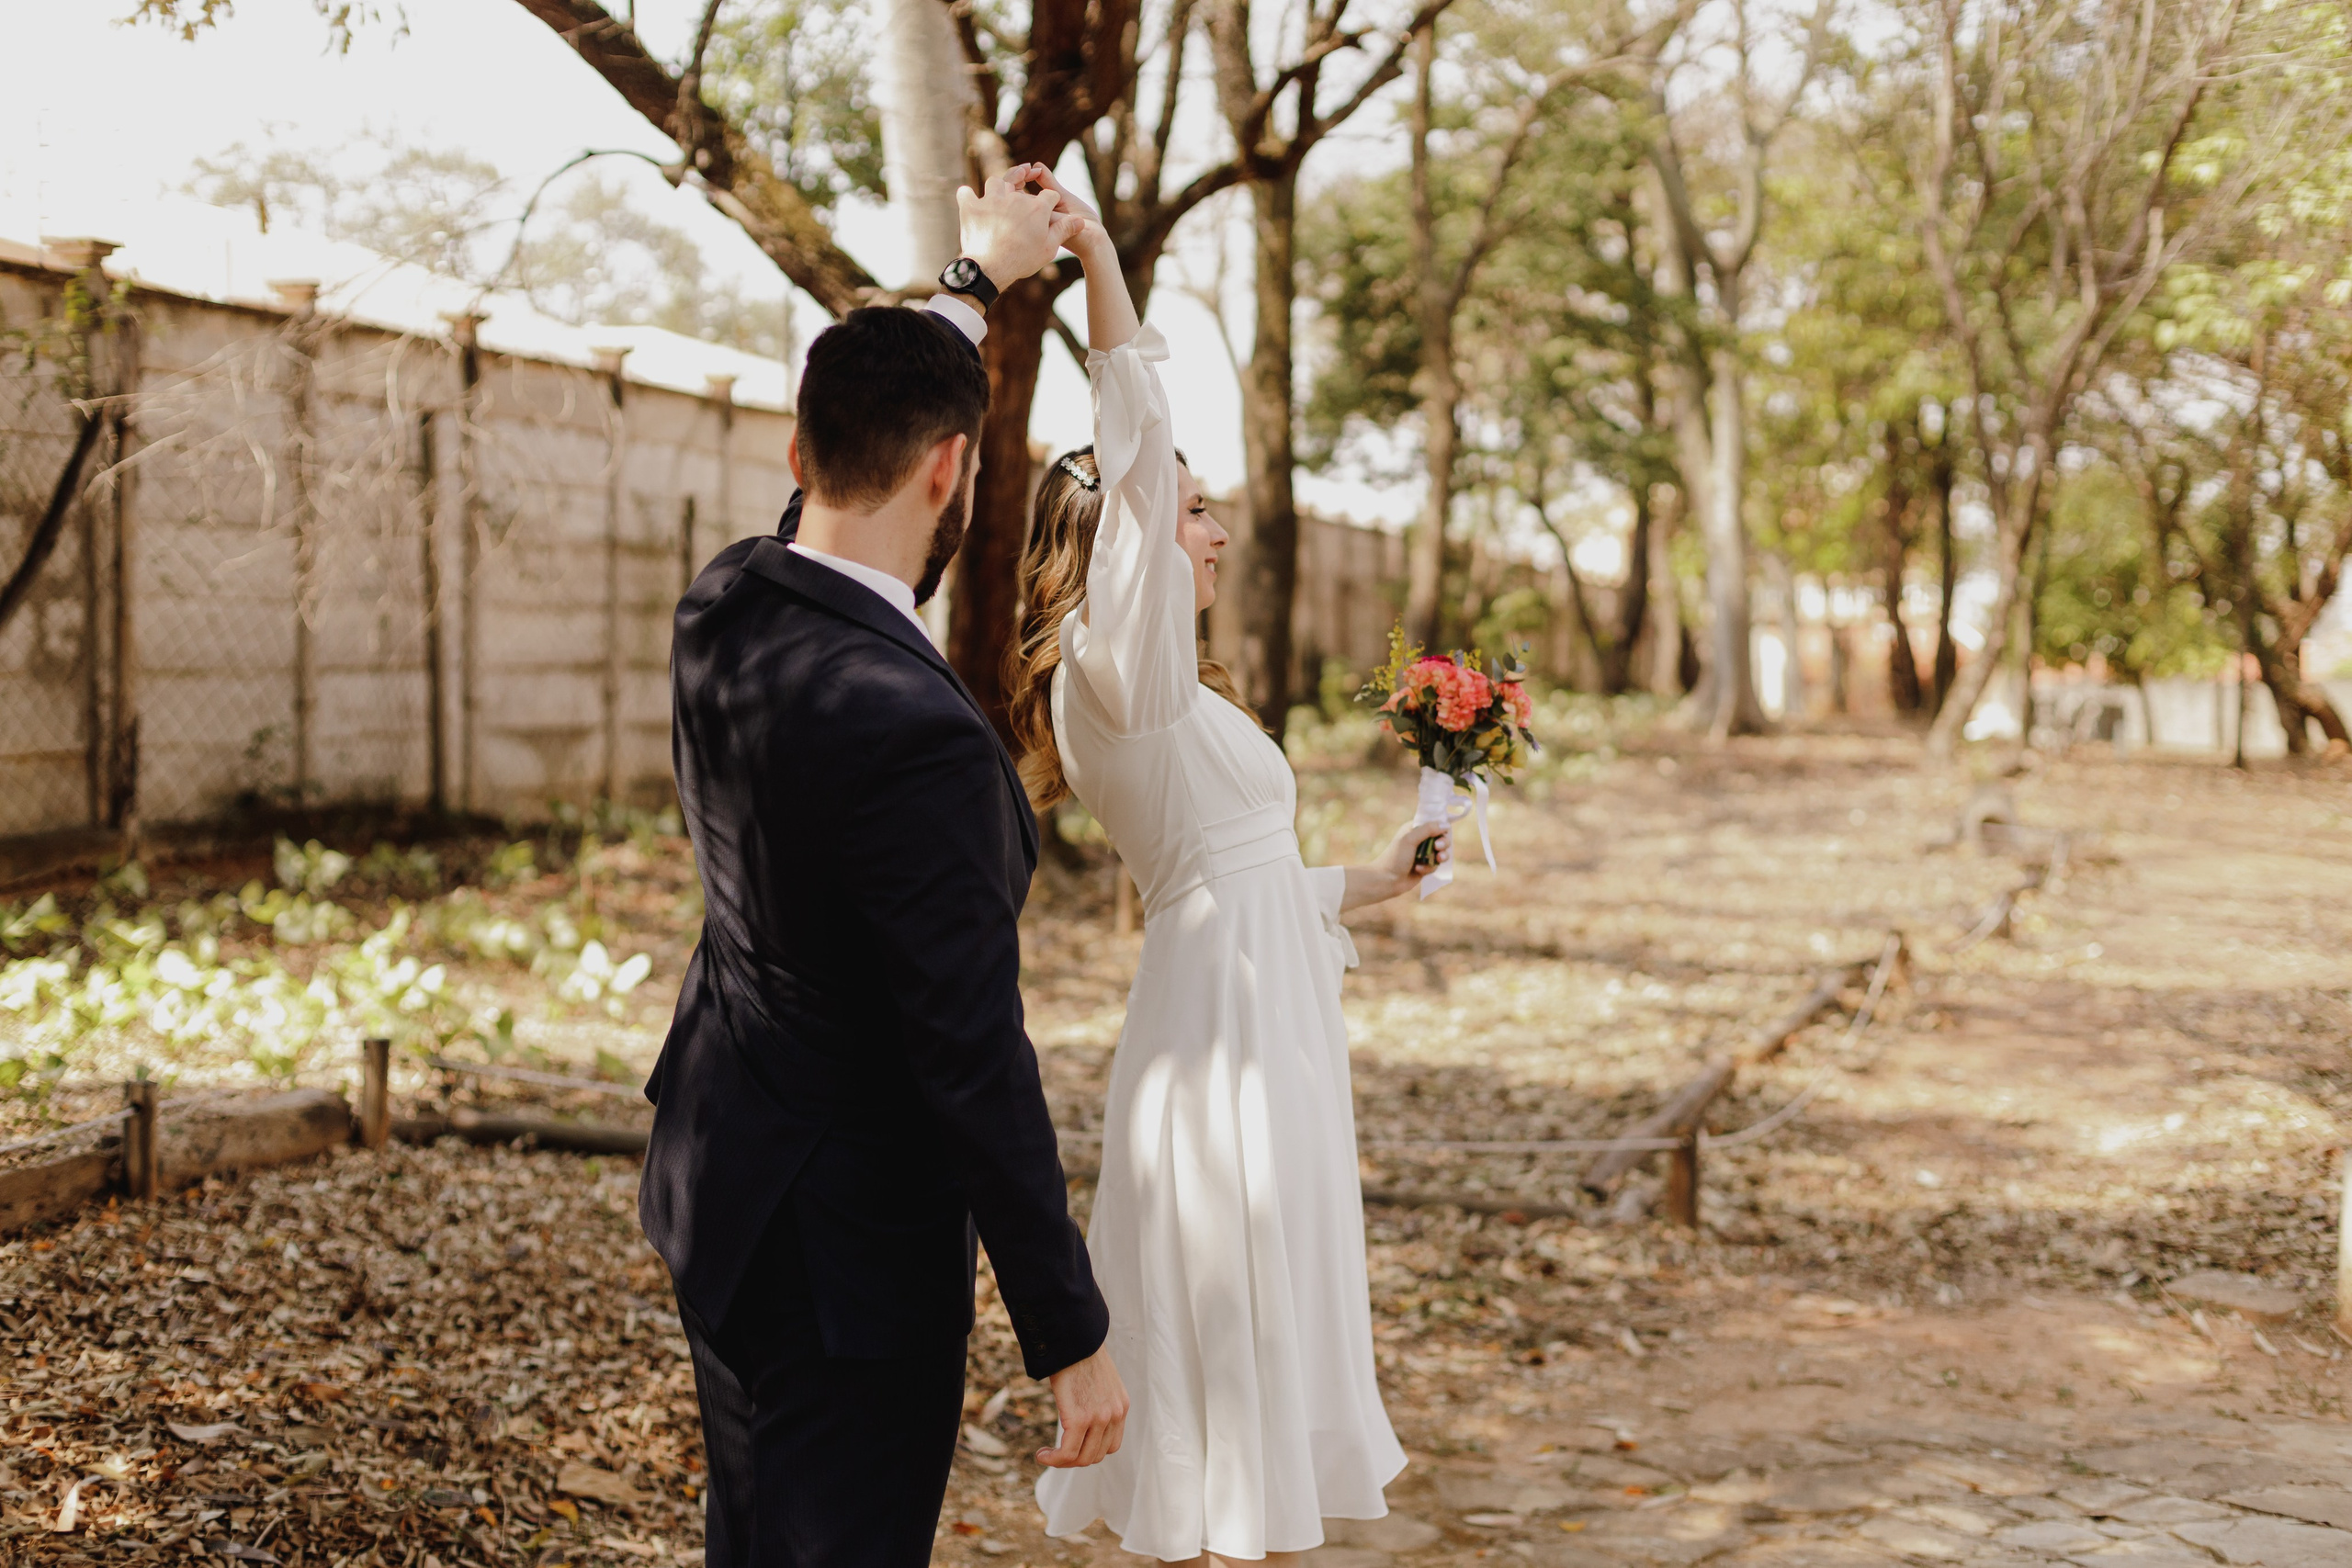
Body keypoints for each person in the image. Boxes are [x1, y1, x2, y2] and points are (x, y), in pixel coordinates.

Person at [639, 165, 1128, 1568]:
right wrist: (1070, 1332)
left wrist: (972, 289)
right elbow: (970, 1056)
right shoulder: (915, 733)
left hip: (723, 1183)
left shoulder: (722, 607)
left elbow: (855, 455)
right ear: (952, 472)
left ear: (798, 456)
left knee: (761, 1529)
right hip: (845, 1255)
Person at [1011, 173, 1450, 1565]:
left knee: (1271, 1310)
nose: (1207, 531)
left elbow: (1245, 879)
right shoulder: (1114, 667)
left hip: (1270, 1011)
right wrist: (1095, 258)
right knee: (1222, 1314)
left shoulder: (1175, 694)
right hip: (1222, 1045)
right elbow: (1134, 438)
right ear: (1114, 544)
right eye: (1187, 513)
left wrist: (1372, 878)